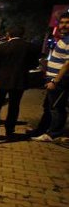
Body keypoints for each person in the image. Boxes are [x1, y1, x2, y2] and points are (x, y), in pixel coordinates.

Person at [0, 24, 39, 140]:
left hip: (0, 81)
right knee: (14, 106)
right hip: (19, 81)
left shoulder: (1, 47)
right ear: (22, 34)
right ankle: (9, 130)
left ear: (8, 34)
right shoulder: (31, 47)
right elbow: (34, 64)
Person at [30, 12, 69, 141]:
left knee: (56, 107)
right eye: (62, 22)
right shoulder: (63, 39)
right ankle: (43, 130)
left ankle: (54, 133)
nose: (64, 25)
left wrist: (55, 81)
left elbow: (67, 64)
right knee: (48, 106)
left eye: (67, 23)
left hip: (59, 81)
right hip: (52, 79)